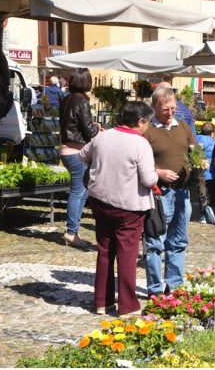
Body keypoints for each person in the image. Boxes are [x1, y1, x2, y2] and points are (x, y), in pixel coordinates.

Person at [79, 101, 158, 318]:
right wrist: (159, 173)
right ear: (140, 121)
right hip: (129, 206)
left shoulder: (103, 136)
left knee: (105, 251)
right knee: (127, 254)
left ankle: (102, 302)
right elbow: (149, 178)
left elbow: (83, 155)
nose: (148, 126)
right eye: (148, 122)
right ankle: (128, 305)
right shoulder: (140, 144)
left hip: (101, 200)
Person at [144, 85, 197, 297]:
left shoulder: (183, 126)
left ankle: (174, 285)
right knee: (156, 242)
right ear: (154, 106)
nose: (170, 112)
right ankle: (155, 289)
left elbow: (194, 149)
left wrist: (199, 161)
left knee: (178, 241)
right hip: (160, 193)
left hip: (183, 192)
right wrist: (158, 172)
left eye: (173, 108)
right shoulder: (147, 129)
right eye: (166, 109)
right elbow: (138, 163)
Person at [59, 68, 102, 247]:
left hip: (66, 149)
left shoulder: (66, 99)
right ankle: (71, 232)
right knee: (78, 191)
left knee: (82, 191)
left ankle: (73, 230)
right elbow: (87, 130)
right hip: (76, 151)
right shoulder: (82, 102)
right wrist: (97, 127)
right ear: (86, 82)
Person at [195, 122, 215, 224]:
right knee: (213, 193)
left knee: (202, 193)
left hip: (200, 173)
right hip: (212, 173)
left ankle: (203, 215)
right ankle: (212, 209)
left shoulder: (196, 140)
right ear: (212, 133)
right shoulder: (214, 143)